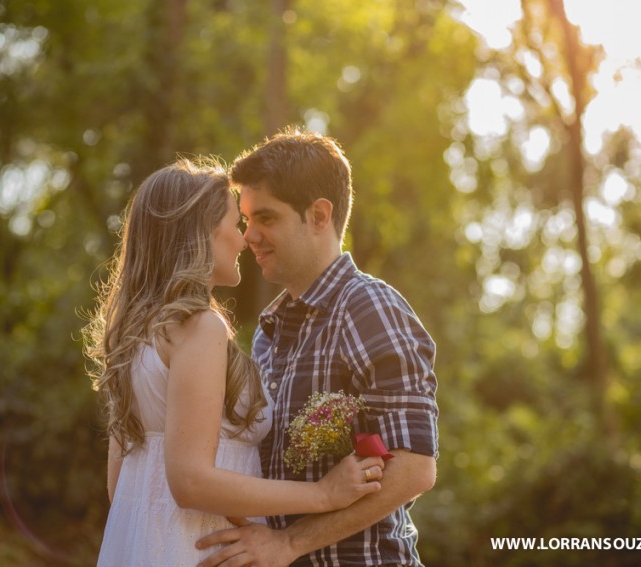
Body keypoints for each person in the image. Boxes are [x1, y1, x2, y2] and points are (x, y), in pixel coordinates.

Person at [84, 158, 386, 566]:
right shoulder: (200, 326)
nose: (244, 240)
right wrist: (323, 494)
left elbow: (120, 484)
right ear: (202, 234)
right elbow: (190, 481)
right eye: (234, 223)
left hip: (144, 545)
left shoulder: (132, 334)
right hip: (204, 550)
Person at [196, 129, 439, 566]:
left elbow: (415, 467)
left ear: (319, 215)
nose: (250, 236)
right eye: (247, 220)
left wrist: (288, 545)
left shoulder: (369, 307)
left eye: (266, 218)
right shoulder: (269, 331)